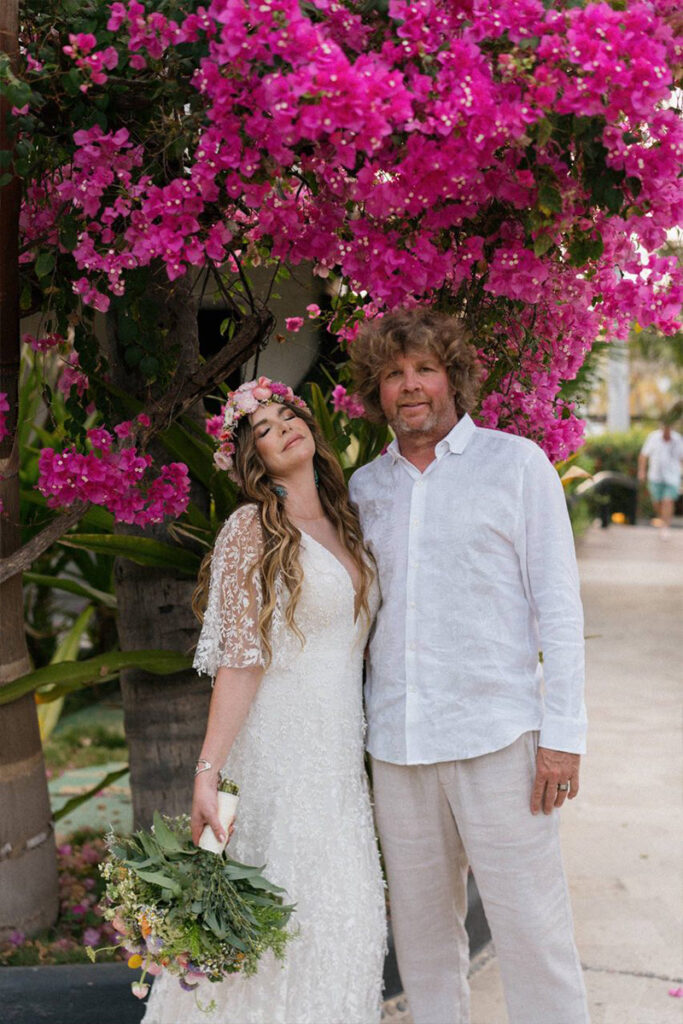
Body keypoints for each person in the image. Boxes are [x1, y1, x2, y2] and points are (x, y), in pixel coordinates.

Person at [348, 309, 590, 1024]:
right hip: (398, 745)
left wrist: (562, 735)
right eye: (393, 375)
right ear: (377, 392)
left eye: (424, 368)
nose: (410, 386)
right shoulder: (365, 490)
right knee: (421, 945)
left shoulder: (515, 466)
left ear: (453, 377)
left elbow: (560, 608)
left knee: (532, 935)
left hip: (499, 739)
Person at [143, 377, 386, 1024]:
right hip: (280, 746)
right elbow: (240, 661)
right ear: (254, 460)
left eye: (289, 415)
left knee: (347, 911)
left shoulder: (346, 521)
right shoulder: (252, 528)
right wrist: (207, 773)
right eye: (266, 429)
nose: (283, 428)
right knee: (281, 907)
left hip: (340, 751)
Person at [637, 417, 683, 538]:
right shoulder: (653, 438)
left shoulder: (677, 439)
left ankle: (665, 526)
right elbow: (643, 455)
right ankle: (663, 520)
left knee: (668, 500)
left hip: (672, 476)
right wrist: (642, 471)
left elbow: (681, 457)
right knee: (657, 503)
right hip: (655, 476)